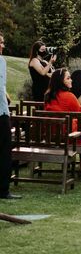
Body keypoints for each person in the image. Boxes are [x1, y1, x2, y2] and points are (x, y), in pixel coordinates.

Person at [0, 31, 21, 199]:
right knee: (5, 151)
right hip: (0, 114)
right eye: (0, 42)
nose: (2, 45)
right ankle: (3, 190)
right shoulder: (1, 61)